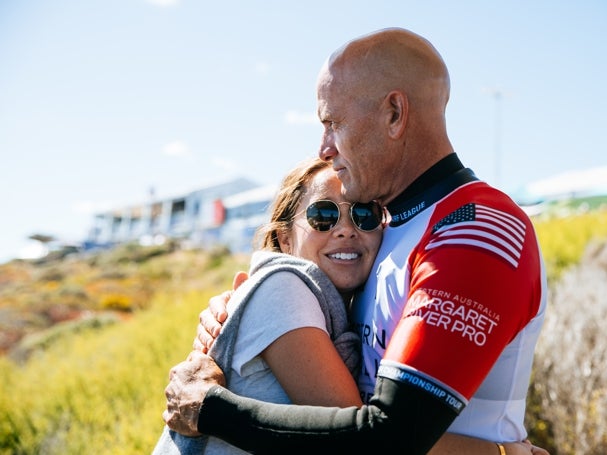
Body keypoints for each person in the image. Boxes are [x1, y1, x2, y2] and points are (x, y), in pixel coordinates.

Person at [164, 27, 547, 454]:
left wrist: (210, 411)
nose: (324, 147)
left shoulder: (475, 228)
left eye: (333, 123)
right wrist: (239, 306)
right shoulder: (390, 228)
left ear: (395, 114)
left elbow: (388, 439)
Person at [153, 157, 382, 453]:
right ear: (285, 240)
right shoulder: (283, 288)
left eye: (364, 214)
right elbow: (357, 445)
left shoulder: (333, 308)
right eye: (324, 215)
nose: (346, 229)